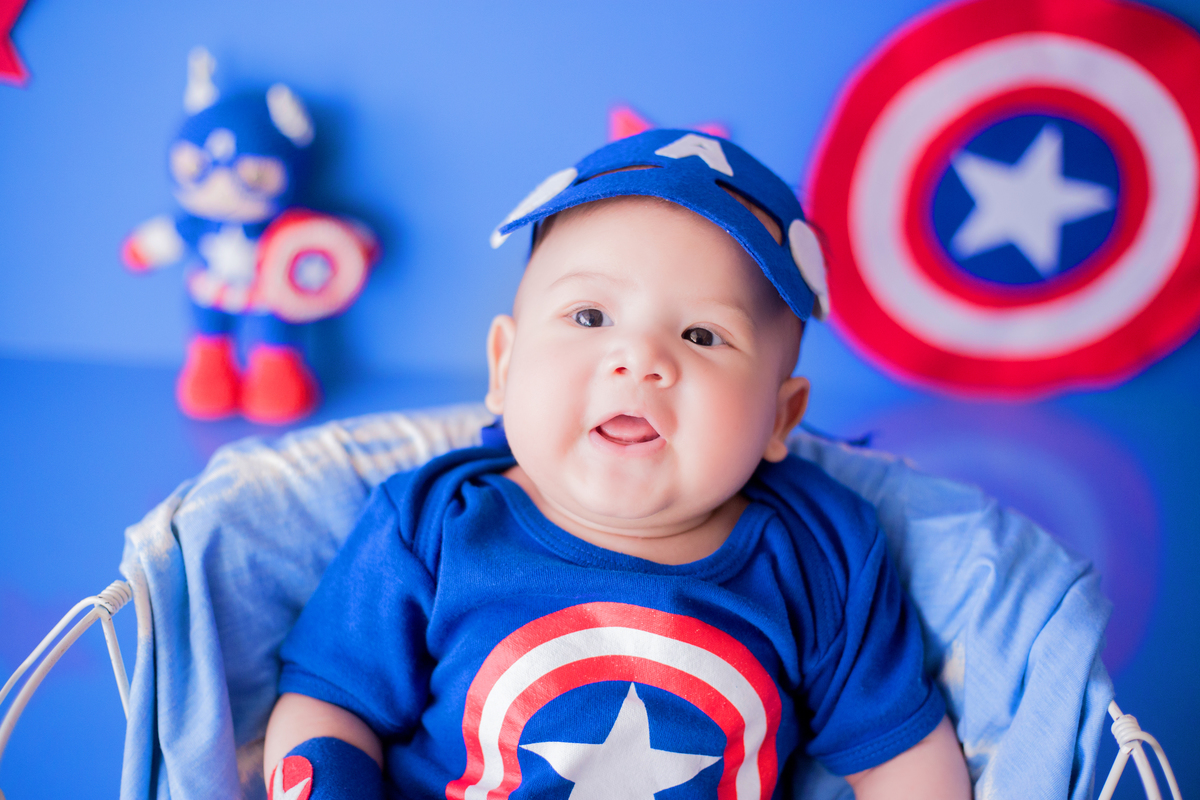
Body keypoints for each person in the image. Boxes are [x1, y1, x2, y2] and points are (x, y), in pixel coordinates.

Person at [262, 130, 972, 799]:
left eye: (703, 335)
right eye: (590, 317)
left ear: (779, 419)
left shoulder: (819, 553)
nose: (641, 359)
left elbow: (901, 758)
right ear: (504, 366)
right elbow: (331, 704)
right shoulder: (433, 528)